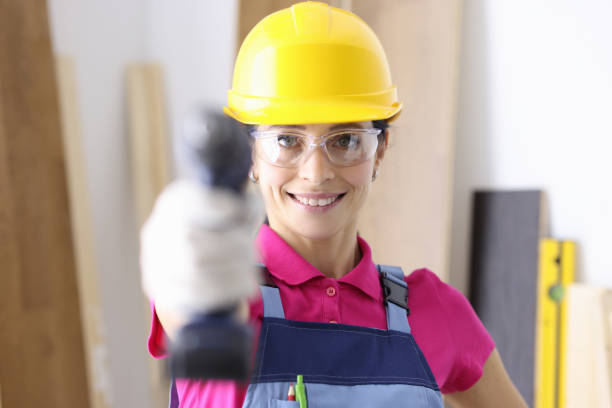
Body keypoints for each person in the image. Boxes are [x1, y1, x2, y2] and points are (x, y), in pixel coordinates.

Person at [142, 2, 528, 407]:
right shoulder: (223, 292)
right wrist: (185, 245)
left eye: (344, 140)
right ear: (250, 154)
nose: (315, 172)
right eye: (287, 140)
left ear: (379, 151)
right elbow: (193, 305)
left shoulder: (434, 311)